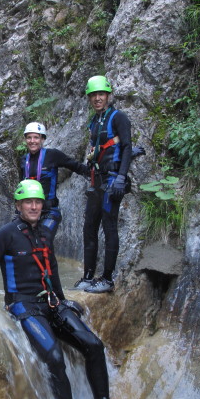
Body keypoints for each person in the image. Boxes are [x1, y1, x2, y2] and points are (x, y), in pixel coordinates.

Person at [0, 179, 115, 399]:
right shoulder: (6, 234)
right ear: (18, 205)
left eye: (37, 202)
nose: (33, 206)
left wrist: (62, 299)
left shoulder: (45, 232)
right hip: (22, 305)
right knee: (55, 357)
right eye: (28, 202)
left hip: (51, 302)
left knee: (94, 345)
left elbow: (52, 268)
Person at [74, 76, 132, 294]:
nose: (97, 98)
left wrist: (121, 177)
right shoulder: (95, 121)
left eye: (101, 94)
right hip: (96, 181)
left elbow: (126, 147)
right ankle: (88, 275)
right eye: (93, 95)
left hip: (111, 181)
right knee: (89, 228)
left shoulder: (118, 118)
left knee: (109, 228)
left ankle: (107, 279)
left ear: (108, 95)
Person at [19, 122, 88, 244]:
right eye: (29, 137)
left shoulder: (53, 155)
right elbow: (21, 188)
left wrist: (94, 174)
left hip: (49, 211)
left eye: (36, 137)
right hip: (29, 212)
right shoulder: (24, 160)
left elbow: (75, 166)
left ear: (42, 139)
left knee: (43, 240)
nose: (32, 141)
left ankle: (49, 262)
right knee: (18, 241)